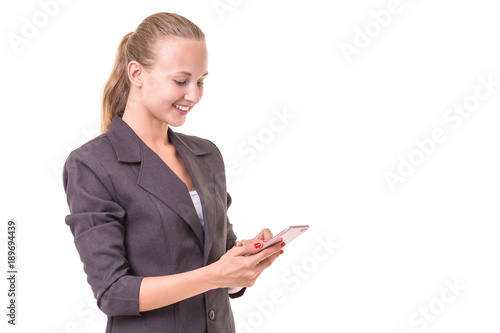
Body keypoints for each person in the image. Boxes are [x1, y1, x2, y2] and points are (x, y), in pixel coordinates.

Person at [62, 12, 284, 333]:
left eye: (201, 81)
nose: (194, 95)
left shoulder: (206, 155)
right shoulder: (92, 164)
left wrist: (246, 263)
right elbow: (113, 292)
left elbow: (222, 267)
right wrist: (217, 274)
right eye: (181, 81)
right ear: (136, 74)